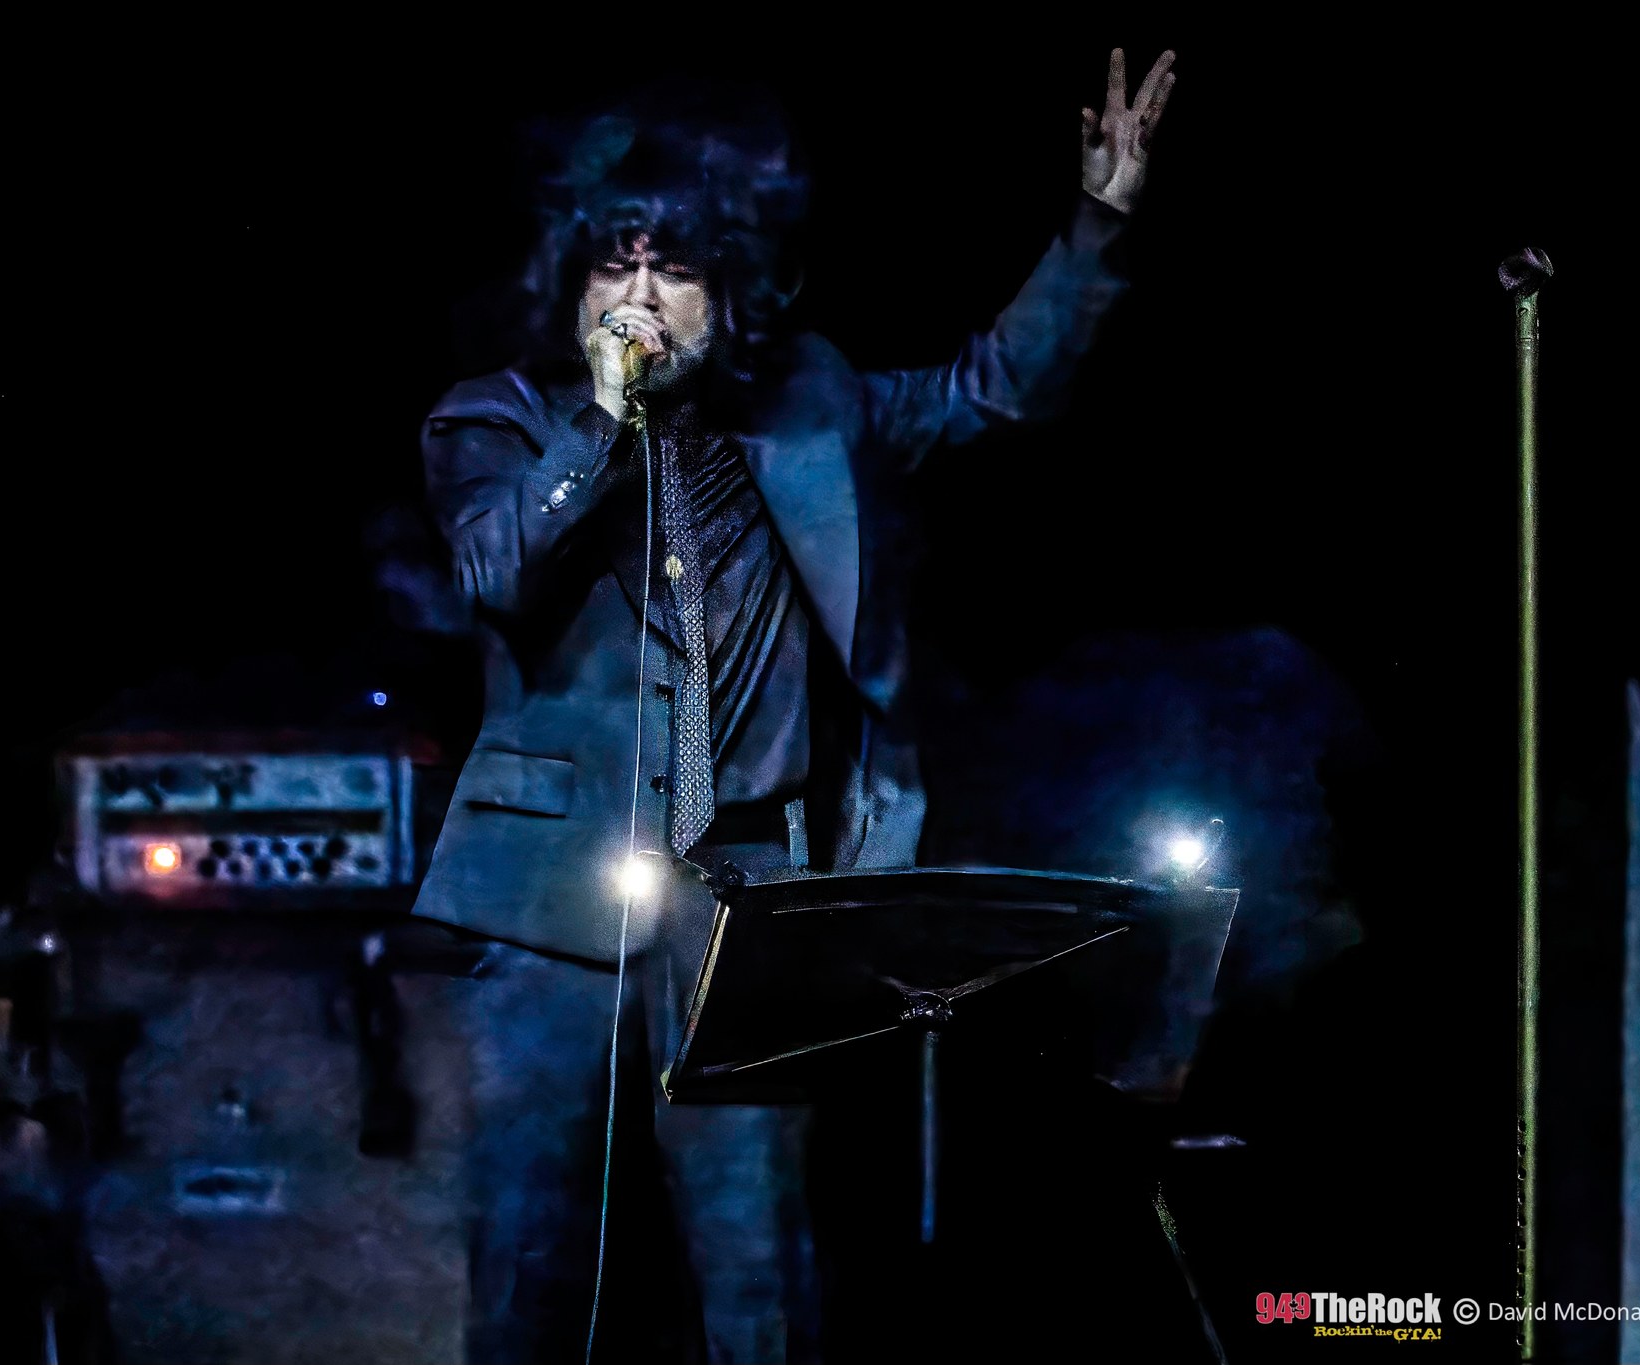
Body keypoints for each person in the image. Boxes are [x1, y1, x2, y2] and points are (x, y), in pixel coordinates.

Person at [414, 49, 1177, 1363]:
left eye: (670, 270)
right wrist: (602, 422)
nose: (638, 298)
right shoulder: (499, 419)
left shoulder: (813, 406)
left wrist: (1097, 222)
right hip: (545, 904)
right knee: (530, 1266)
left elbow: (993, 389)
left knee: (761, 1267)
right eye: (613, 269)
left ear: (728, 287)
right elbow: (497, 569)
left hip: (742, 900)